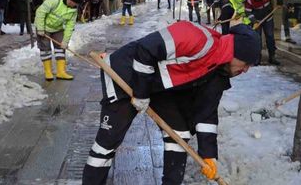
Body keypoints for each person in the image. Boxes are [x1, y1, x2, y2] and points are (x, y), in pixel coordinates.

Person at [82, 22, 261, 185]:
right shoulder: (197, 38)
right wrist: (141, 94)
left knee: (179, 132)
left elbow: (207, 113)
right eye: (245, 64)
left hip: (159, 86)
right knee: (107, 143)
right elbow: (145, 50)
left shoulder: (219, 73)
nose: (245, 70)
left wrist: (209, 155)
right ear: (234, 53)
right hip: (125, 74)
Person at [34, 0, 84, 81]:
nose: (76, 6)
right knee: (45, 49)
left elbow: (70, 26)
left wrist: (65, 41)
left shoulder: (74, 10)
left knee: (61, 48)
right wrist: (40, 28)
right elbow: (40, 12)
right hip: (44, 27)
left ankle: (61, 72)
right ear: (70, 0)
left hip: (58, 28)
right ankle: (48, 72)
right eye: (75, 4)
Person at [243, 0, 285, 65]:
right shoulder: (249, 0)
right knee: (257, 39)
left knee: (270, 36)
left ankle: (272, 57)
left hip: (268, 17)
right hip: (257, 20)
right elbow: (248, 12)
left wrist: (280, 2)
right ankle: (257, 58)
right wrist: (254, 21)